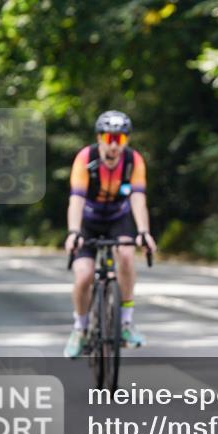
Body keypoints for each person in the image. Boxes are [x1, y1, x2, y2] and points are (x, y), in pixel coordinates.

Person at [63, 111, 157, 358]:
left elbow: (138, 198)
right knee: (84, 275)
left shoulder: (133, 161)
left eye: (120, 139)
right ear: (99, 137)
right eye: (109, 137)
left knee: (126, 255)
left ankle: (125, 323)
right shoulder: (85, 158)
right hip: (88, 220)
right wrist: (74, 232)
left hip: (118, 218)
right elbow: (76, 200)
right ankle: (80, 329)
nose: (114, 144)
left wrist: (144, 232)